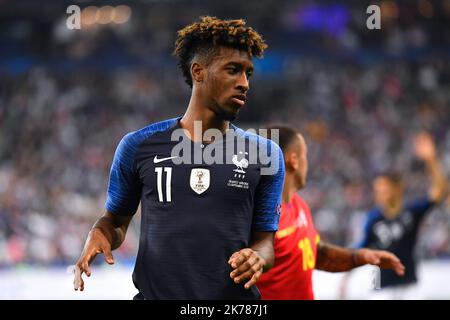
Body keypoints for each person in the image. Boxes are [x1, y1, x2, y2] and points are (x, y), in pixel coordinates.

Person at [73, 16, 285, 300]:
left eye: (248, 73)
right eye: (233, 70)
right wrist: (101, 233)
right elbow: (116, 221)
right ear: (198, 72)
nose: (244, 83)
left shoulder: (266, 153)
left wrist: (258, 257)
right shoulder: (138, 146)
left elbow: (265, 243)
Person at [256, 125, 405, 300]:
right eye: (305, 155)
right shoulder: (257, 213)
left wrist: (361, 256)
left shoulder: (300, 205)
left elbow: (317, 254)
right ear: (294, 160)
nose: (308, 162)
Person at [341, 131, 448, 299]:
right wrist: (345, 278)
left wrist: (431, 160)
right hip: (382, 289)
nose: (379, 193)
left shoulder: (411, 212)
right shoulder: (373, 219)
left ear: (397, 188)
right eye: (377, 190)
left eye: (383, 188)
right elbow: (360, 248)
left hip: (410, 287)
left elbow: (438, 193)